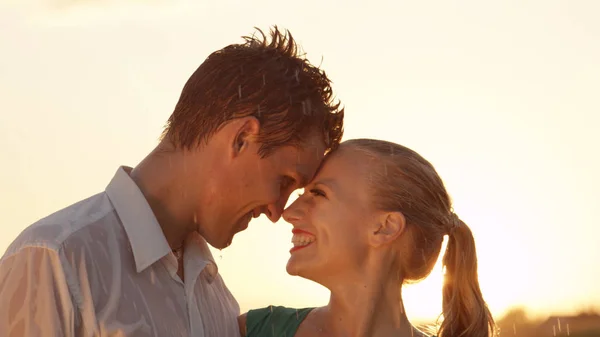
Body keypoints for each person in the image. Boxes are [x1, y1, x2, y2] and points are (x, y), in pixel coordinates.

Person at [0, 26, 344, 337]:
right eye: (284, 181)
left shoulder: (219, 302)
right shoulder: (55, 260)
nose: (276, 211)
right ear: (241, 138)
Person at [239, 139, 496, 337]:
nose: (288, 213)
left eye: (318, 194)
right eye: (300, 195)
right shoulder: (253, 330)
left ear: (385, 227)